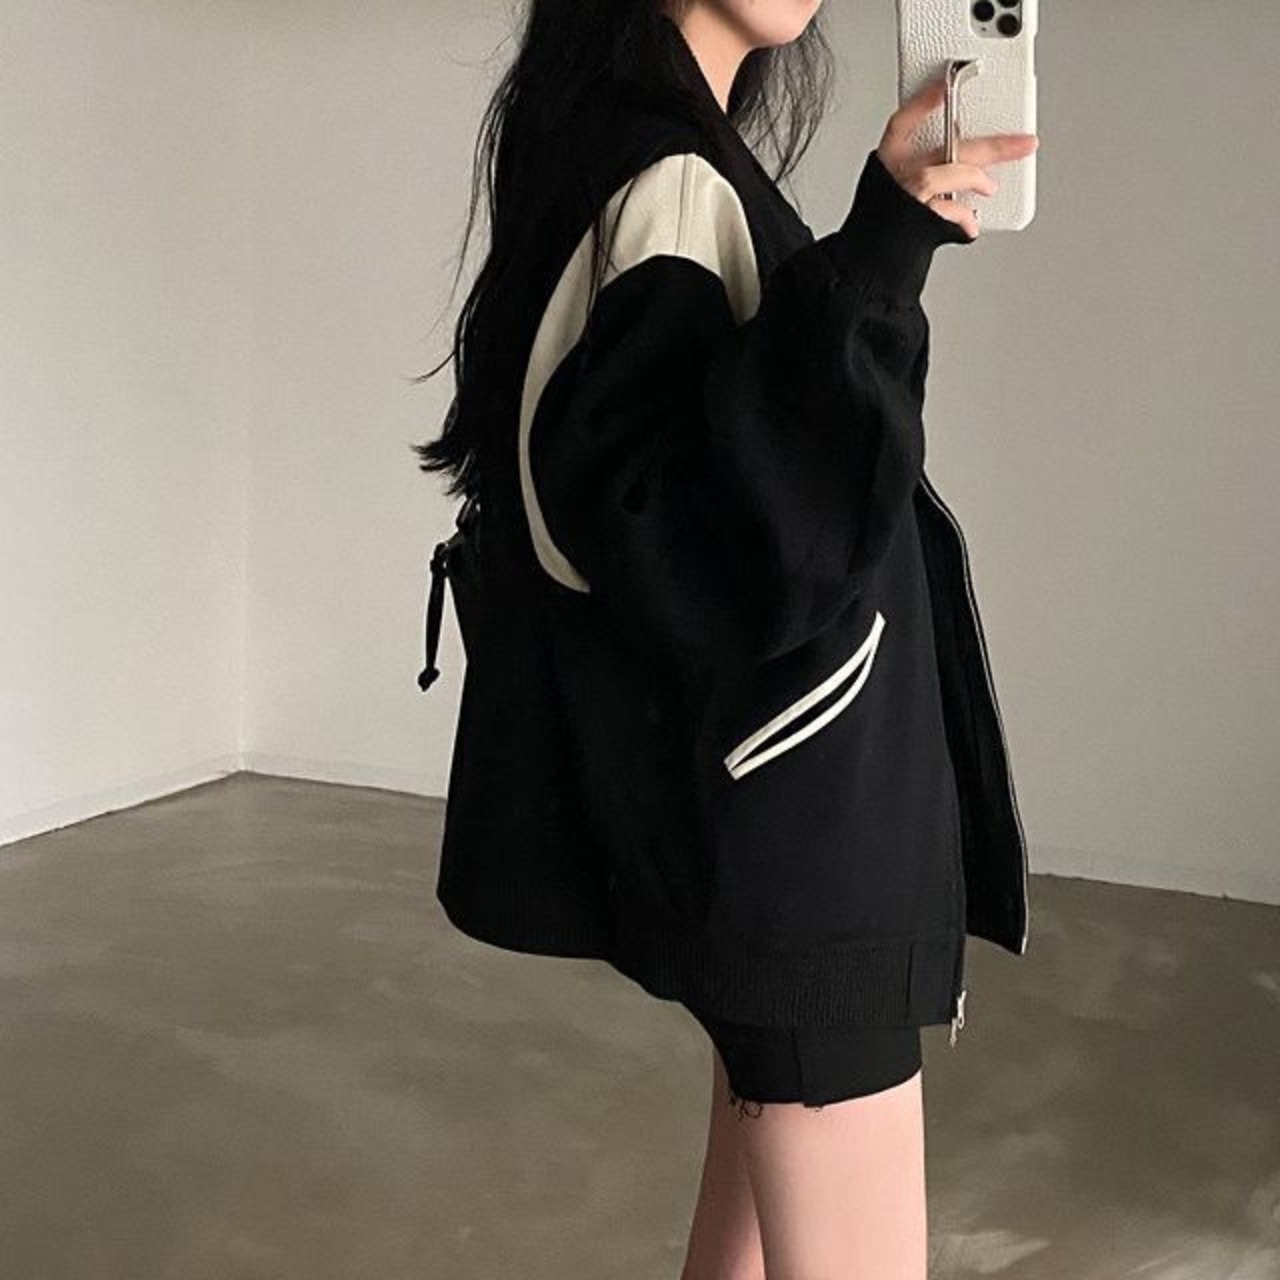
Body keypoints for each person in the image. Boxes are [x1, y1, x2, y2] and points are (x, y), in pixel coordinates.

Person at [413, 2, 1037, 1275]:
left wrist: (879, 243)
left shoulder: (641, 151)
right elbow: (697, 544)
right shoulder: (665, 177)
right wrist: (879, 249)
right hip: (801, 843)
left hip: (779, 827)